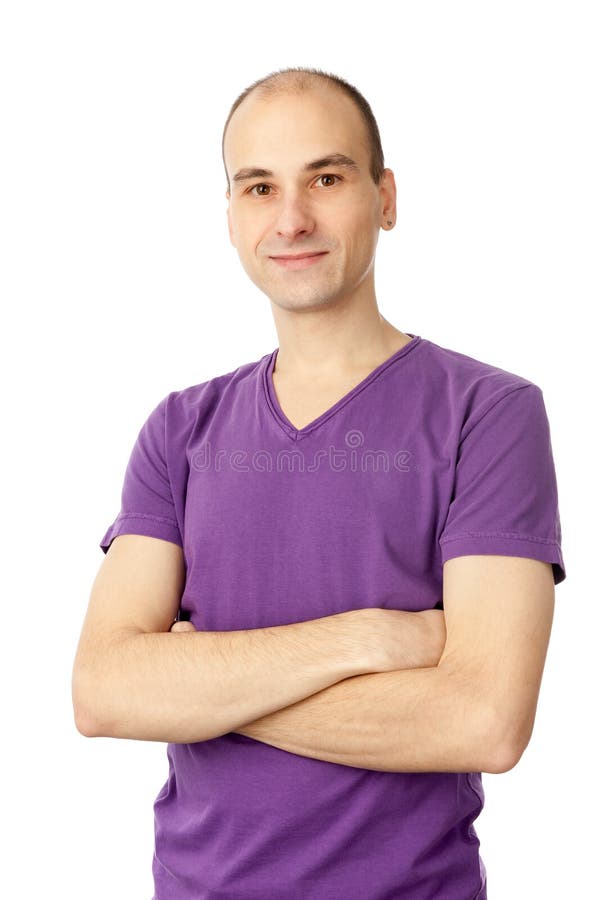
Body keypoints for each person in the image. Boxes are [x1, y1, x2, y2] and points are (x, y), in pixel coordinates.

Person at [72, 66, 566, 900]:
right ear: (230, 217)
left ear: (385, 198)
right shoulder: (179, 429)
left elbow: (483, 721)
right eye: (259, 186)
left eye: (326, 178)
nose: (291, 218)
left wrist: (197, 689)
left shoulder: (489, 413)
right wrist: (367, 639)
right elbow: (103, 694)